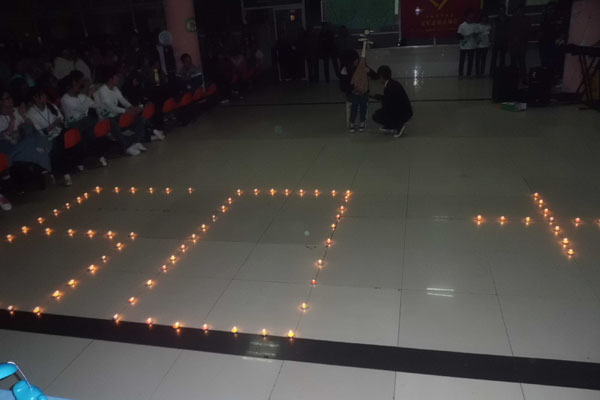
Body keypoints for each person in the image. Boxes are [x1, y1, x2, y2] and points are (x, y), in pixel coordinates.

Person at [26, 86, 81, 186]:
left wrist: (58, 124)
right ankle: (65, 173)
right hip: (45, 138)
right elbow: (41, 132)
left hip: (58, 132)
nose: (44, 97)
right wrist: (54, 124)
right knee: (57, 145)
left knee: (72, 134)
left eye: (44, 94)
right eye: (42, 95)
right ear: (35, 98)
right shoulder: (31, 113)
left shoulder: (51, 106)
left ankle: (75, 164)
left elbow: (61, 119)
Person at [94, 67, 147, 156]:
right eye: (116, 76)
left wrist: (132, 108)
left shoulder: (115, 88)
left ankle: (136, 141)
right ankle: (127, 146)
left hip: (116, 115)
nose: (118, 78)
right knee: (112, 122)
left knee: (140, 118)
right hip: (105, 119)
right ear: (110, 79)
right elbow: (111, 107)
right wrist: (127, 111)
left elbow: (122, 100)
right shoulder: (102, 90)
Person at [60, 70, 109, 167]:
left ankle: (98, 156)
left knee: (93, 129)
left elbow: (96, 104)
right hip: (73, 124)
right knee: (91, 126)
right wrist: (89, 95)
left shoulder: (81, 96)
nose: (79, 86)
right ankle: (95, 157)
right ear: (70, 86)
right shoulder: (65, 99)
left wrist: (97, 93)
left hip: (85, 122)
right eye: (76, 84)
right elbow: (82, 108)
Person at [0, 88, 52, 173]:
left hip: (25, 145)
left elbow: (32, 126)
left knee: (34, 137)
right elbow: (6, 138)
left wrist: (23, 115)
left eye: (10, 97)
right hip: (13, 150)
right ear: (0, 102)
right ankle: (46, 170)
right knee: (33, 141)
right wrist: (12, 119)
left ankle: (45, 171)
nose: (10, 100)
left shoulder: (17, 110)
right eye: (7, 98)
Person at [371, 65, 413, 138]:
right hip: (405, 111)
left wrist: (379, 98)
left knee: (377, 116)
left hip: (402, 113)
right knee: (382, 112)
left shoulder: (389, 87)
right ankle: (393, 125)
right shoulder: (393, 83)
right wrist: (378, 97)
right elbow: (390, 99)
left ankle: (397, 126)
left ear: (381, 77)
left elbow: (388, 104)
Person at [339, 50, 374, 132]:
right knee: (355, 102)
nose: (357, 61)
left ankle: (362, 121)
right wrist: (353, 89)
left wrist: (369, 71)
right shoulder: (345, 70)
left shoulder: (361, 66)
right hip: (352, 92)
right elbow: (343, 87)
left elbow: (375, 76)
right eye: (355, 60)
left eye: (357, 59)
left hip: (363, 92)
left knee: (363, 102)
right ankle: (352, 122)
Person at [507, 6, 530, 84]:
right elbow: (509, 32)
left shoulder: (525, 19)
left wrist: (518, 38)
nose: (519, 12)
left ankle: (521, 78)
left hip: (520, 44)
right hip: (515, 44)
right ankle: (516, 78)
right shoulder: (513, 20)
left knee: (520, 62)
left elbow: (527, 31)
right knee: (516, 62)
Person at [457, 10, 478, 78]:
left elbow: (477, 35)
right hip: (463, 46)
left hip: (472, 46)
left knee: (470, 61)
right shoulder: (462, 25)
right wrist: (466, 36)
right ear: (466, 17)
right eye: (469, 17)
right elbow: (458, 36)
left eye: (472, 17)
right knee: (462, 61)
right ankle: (460, 74)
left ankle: (468, 74)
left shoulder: (475, 25)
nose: (471, 18)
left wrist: (475, 35)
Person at [490, 5, 510, 75]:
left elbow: (509, 31)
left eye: (502, 10)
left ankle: (501, 73)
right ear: (498, 11)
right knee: (494, 58)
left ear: (505, 10)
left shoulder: (508, 19)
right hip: (496, 41)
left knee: (502, 58)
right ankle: (492, 73)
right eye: (500, 10)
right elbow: (493, 31)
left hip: (505, 41)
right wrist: (492, 41)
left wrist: (509, 41)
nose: (501, 12)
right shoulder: (495, 19)